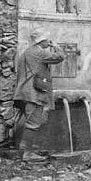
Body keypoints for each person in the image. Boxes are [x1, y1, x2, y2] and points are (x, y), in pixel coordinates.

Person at [13, 29, 64, 162]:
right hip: (33, 93)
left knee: (30, 121)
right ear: (42, 41)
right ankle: (28, 154)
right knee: (33, 123)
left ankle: (26, 148)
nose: (48, 41)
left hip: (24, 91)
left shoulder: (27, 52)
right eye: (47, 39)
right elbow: (60, 57)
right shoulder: (39, 52)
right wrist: (55, 46)